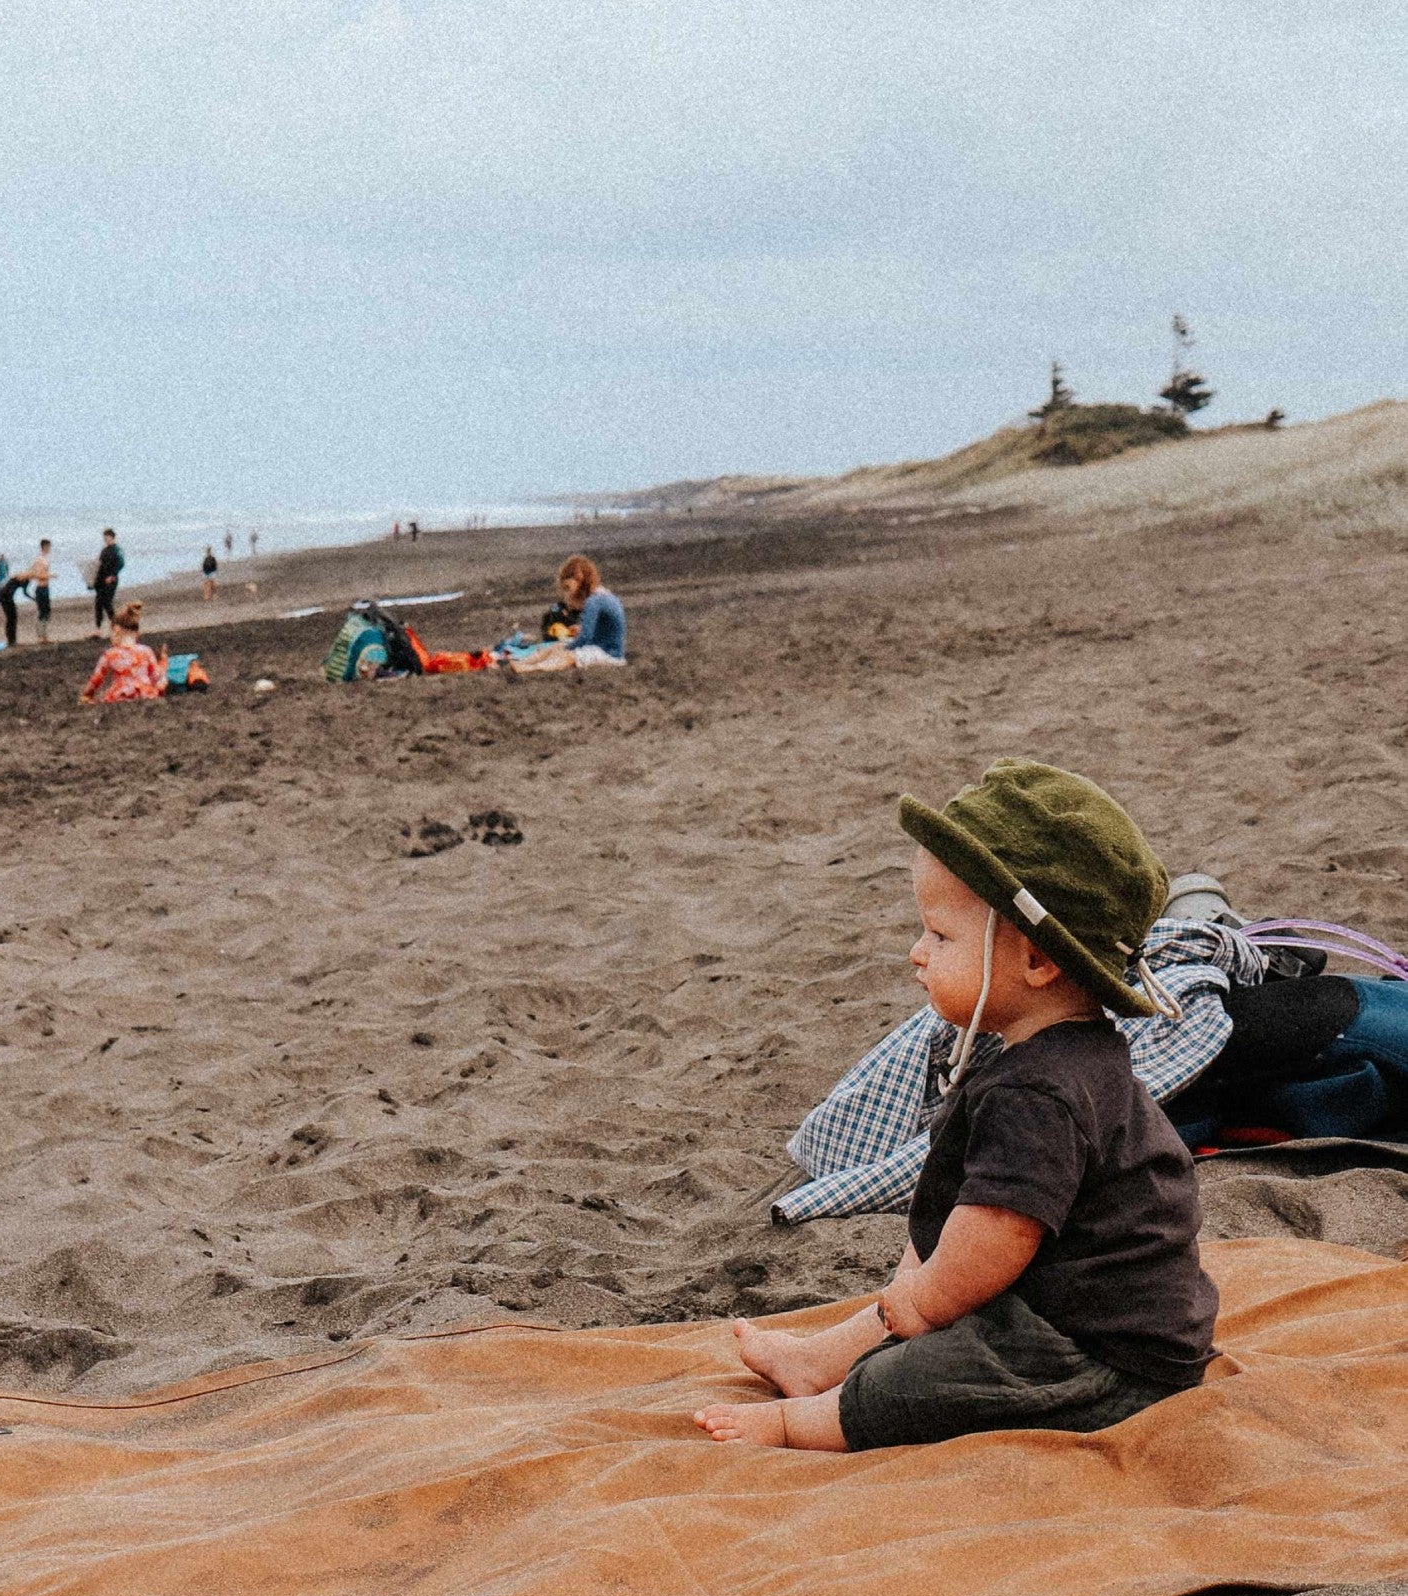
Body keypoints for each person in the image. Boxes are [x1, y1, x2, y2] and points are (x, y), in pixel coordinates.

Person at [695, 760, 1217, 1451]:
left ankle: (800, 1422)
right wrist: (907, 1302)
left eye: (940, 937)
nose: (917, 953)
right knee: (923, 1320)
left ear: (1036, 962)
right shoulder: (1065, 1053)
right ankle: (814, 1363)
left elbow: (996, 1235)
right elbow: (956, 1223)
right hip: (1065, 1314)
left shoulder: (1039, 1091)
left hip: (1102, 1357)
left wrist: (917, 1307)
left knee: (923, 1376)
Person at [514, 557, 628, 671]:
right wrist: (581, 629)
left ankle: (529, 667)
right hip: (601, 645)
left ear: (579, 581)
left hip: (610, 653)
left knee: (566, 654)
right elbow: (603, 627)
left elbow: (585, 637)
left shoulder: (593, 602)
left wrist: (569, 647)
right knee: (558, 646)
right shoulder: (601, 595)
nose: (568, 593)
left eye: (568, 588)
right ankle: (524, 662)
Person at [80, 601, 168, 703]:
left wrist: (87, 695)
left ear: (116, 631)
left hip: (121, 694)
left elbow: (96, 679)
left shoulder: (110, 654)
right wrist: (163, 661)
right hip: (146, 692)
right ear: (137, 633)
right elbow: (156, 676)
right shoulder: (146, 650)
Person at [93, 528, 124, 637]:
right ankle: (98, 630)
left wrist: (112, 575)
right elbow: (99, 565)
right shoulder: (104, 550)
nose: (105, 540)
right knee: (98, 604)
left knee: (107, 602)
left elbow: (121, 563)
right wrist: (93, 579)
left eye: (107, 538)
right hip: (101, 579)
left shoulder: (117, 550)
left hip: (111, 579)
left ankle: (116, 627)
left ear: (111, 537)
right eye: (104, 538)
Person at [27, 539, 55, 643]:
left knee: (47, 612)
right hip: (41, 588)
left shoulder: (45, 559)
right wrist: (50, 575)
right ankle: (40, 637)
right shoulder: (39, 560)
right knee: (42, 612)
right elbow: (36, 575)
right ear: (44, 547)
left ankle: (44, 636)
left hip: (45, 588)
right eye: (48, 547)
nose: (49, 549)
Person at [0, 571, 31, 646]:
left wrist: (34, 599)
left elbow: (25, 592)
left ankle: (12, 640)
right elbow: (6, 587)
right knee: (10, 619)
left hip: (9, 598)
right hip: (4, 597)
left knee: (13, 619)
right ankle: (11, 641)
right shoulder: (16, 578)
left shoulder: (27, 581)